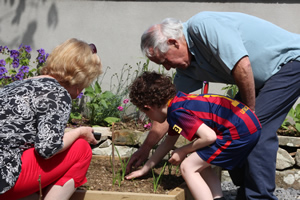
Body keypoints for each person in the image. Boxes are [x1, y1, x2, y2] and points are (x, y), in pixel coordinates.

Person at [126, 11, 300, 200]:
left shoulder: (203, 26)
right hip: (260, 78)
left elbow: (243, 66)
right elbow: (166, 110)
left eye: (165, 61)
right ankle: (246, 190)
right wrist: (145, 148)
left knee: (255, 127)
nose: (167, 68)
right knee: (235, 129)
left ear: (173, 42)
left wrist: (249, 113)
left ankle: (259, 197)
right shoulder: (186, 69)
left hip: (289, 62)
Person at [125, 71, 261, 200]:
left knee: (187, 167)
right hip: (248, 125)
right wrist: (145, 169)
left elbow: (209, 137)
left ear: (148, 107)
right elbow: (168, 143)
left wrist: (183, 150)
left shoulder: (177, 112)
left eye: (145, 113)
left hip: (237, 132)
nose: (149, 118)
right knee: (199, 163)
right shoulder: (178, 103)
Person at [0, 38, 103, 200]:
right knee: (82, 148)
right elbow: (47, 149)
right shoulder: (57, 93)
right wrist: (80, 132)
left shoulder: (13, 86)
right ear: (79, 77)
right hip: (5, 179)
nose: (81, 91)